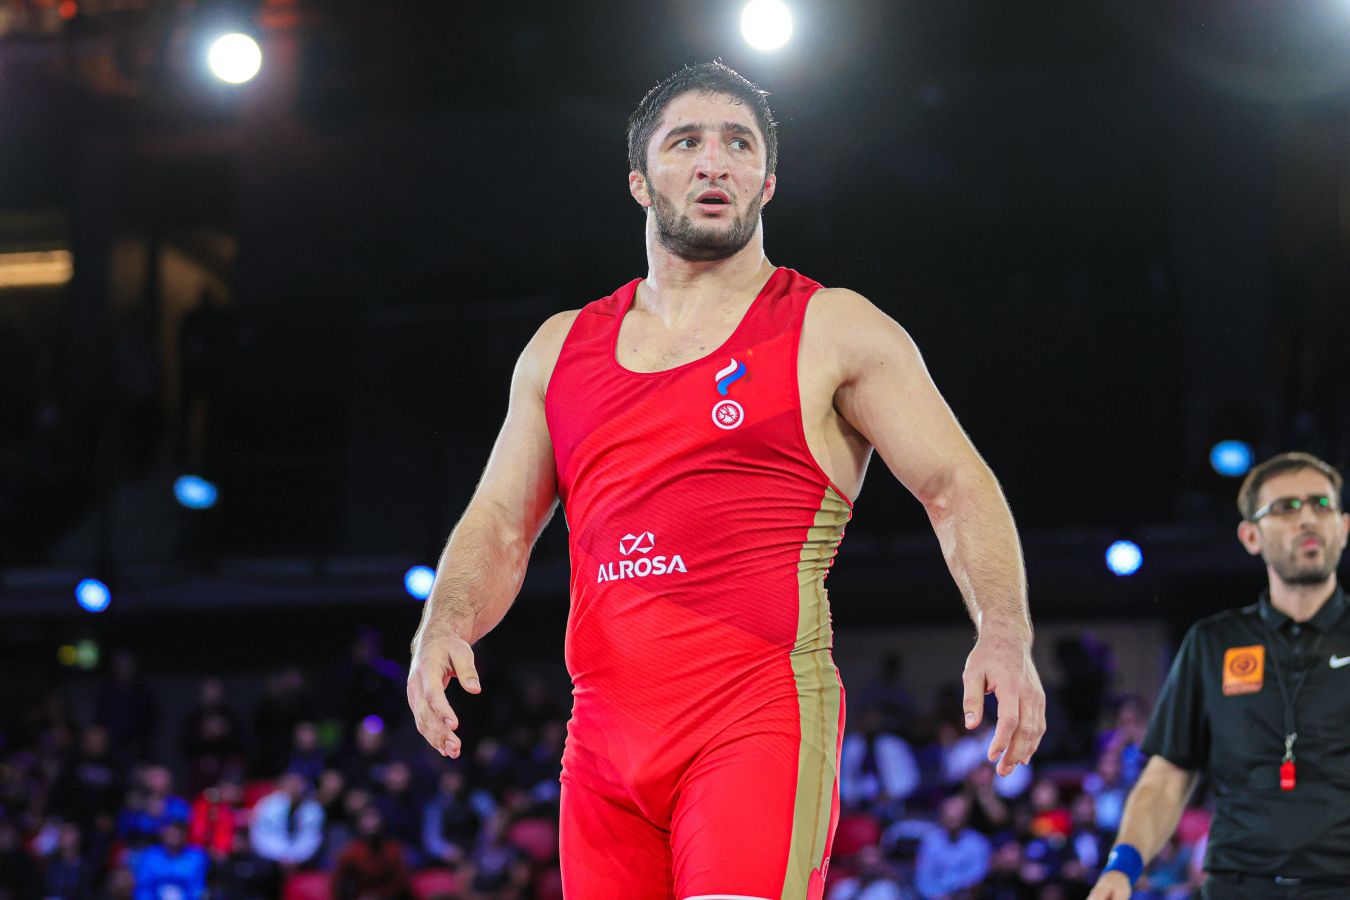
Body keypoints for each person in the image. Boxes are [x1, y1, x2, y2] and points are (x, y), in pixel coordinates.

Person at [407, 61, 1046, 899]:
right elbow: (500, 520)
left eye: (739, 144)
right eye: (686, 142)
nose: (715, 161)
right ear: (640, 182)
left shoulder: (832, 328)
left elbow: (956, 482)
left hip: (755, 720)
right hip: (602, 745)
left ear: (766, 183)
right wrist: (445, 621)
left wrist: (1004, 631)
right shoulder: (560, 348)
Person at [1089, 451, 1350, 899]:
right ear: (1251, 536)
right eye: (1286, 507)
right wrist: (1122, 866)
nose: (1308, 518)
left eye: (1321, 504)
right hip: (1237, 886)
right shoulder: (1213, 643)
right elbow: (1167, 776)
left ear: (1343, 527)